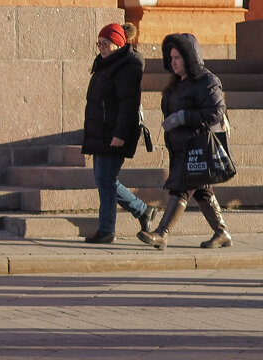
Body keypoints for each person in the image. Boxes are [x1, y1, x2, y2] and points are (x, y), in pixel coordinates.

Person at [137, 33, 233, 251]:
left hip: (197, 146)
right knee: (202, 191)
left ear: (190, 57)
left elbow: (217, 111)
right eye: (171, 57)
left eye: (178, 57)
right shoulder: (177, 83)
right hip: (181, 146)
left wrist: (182, 117)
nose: (173, 62)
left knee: (180, 188)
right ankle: (222, 232)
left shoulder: (206, 81)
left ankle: (162, 233)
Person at [80, 23, 157, 243]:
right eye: (99, 43)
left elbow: (129, 105)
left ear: (118, 44)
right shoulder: (105, 64)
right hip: (101, 132)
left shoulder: (126, 66)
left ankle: (107, 230)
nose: (102, 47)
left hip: (114, 133)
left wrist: (120, 134)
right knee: (105, 180)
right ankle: (143, 211)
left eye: (106, 43)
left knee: (106, 179)